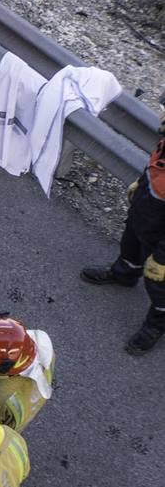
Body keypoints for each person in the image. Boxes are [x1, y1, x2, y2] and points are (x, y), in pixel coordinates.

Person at [80, 94, 165, 354]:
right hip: (147, 206)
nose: (161, 116)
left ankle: (157, 322)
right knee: (131, 244)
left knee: (158, 281)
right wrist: (141, 186)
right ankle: (124, 273)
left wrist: (161, 258)